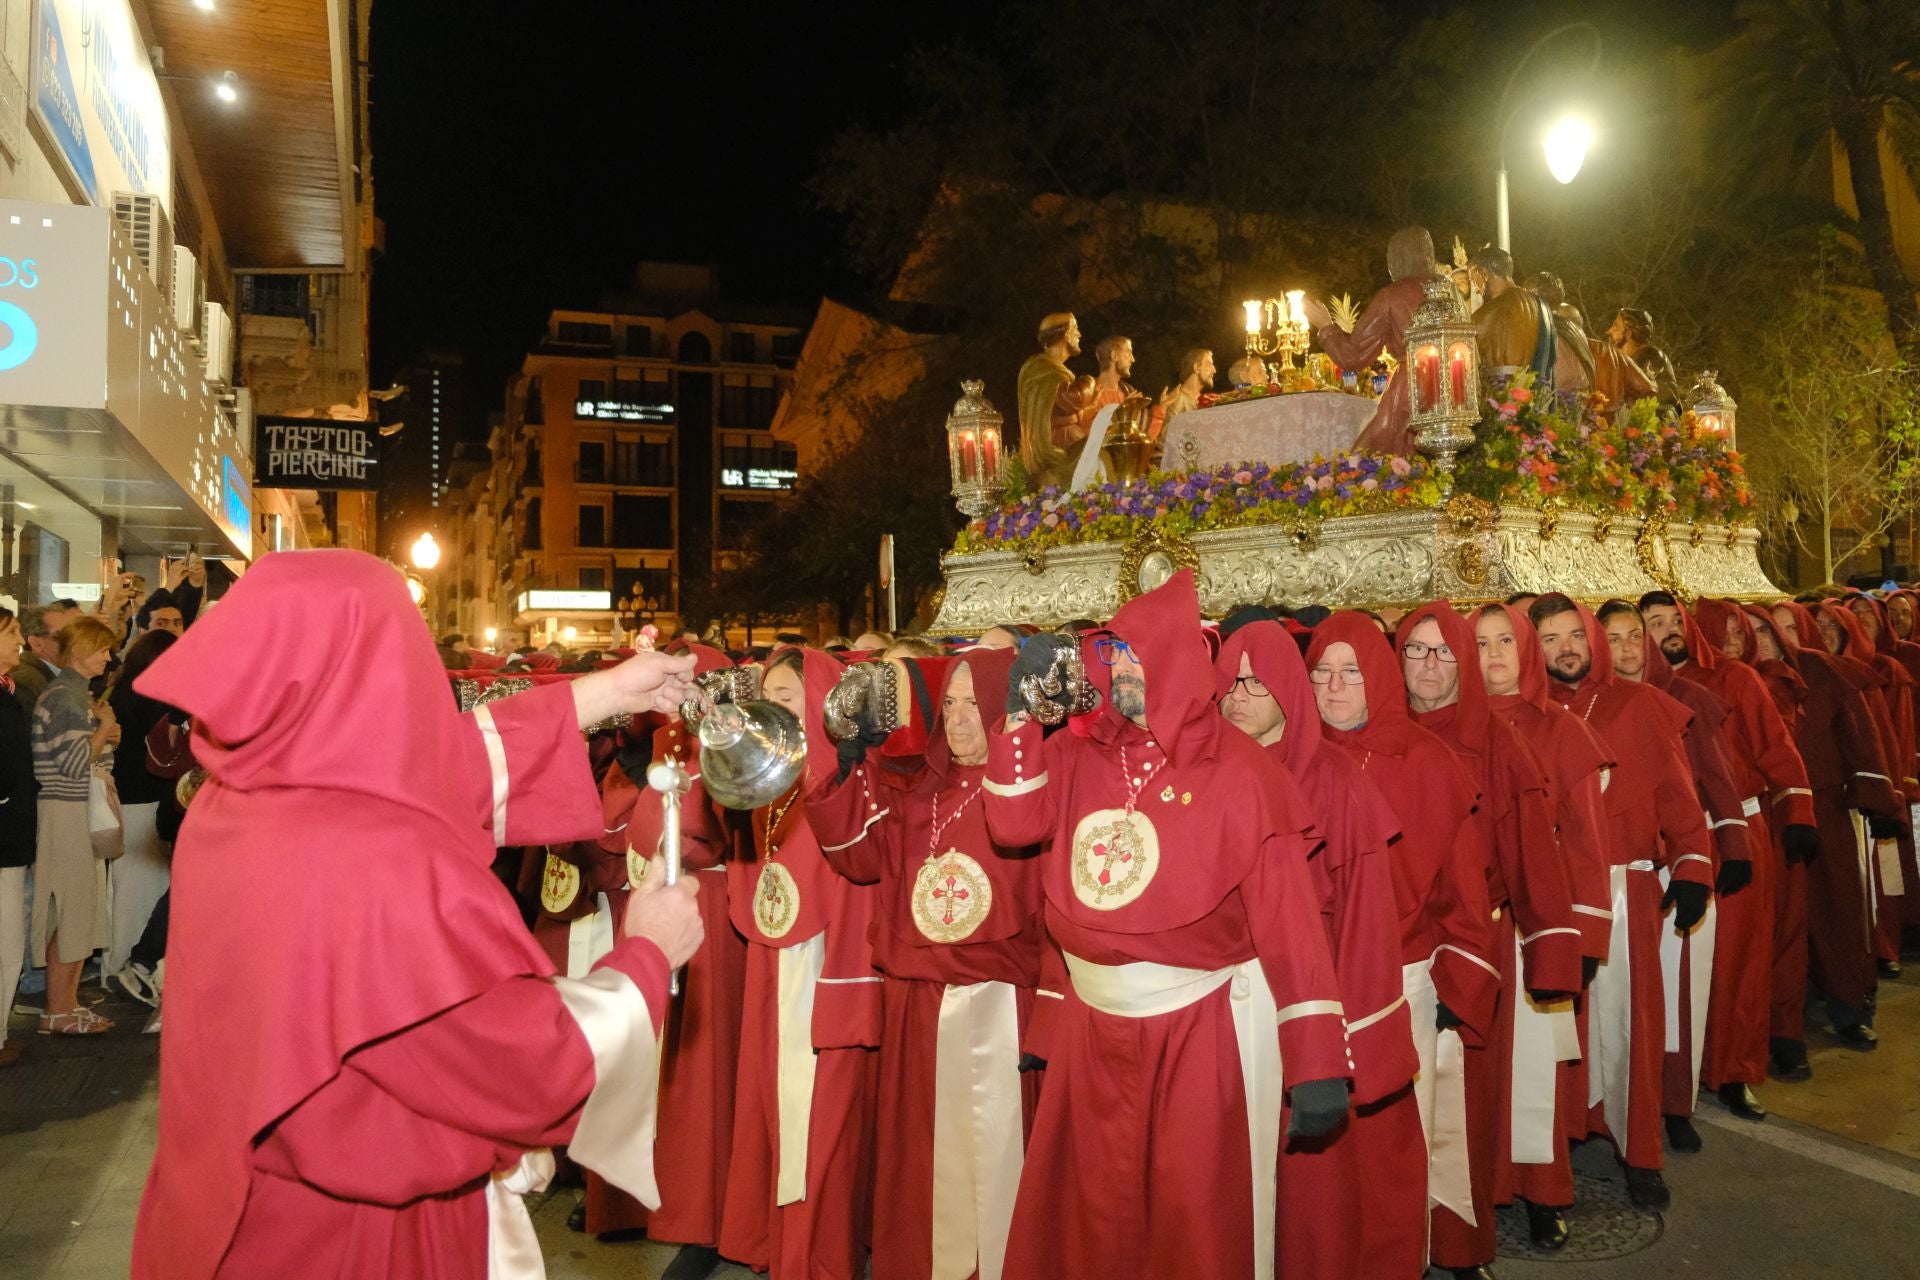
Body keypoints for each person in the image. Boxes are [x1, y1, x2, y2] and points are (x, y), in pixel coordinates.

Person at [129, 550, 706, 1280]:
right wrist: (646, 957)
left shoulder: (238, 797)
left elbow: (427, 769)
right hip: (363, 1242)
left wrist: (606, 691)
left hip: (245, 1219)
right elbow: (524, 1064)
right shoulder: (375, 866)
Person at [982, 571, 1350, 1280]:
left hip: (1201, 1027)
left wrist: (1316, 1063)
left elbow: (1290, 923)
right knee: (1092, 1216)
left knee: (1192, 1218)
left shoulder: (1242, 772)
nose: (1121, 671)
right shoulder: (1075, 754)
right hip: (1094, 1026)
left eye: (1137, 655)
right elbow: (1013, 823)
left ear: (1179, 661)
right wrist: (1021, 718)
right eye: (1112, 653)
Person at [810, 649, 1047, 1280]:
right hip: (918, 1008)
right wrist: (849, 769)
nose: (962, 719)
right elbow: (857, 860)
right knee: (921, 1164)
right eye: (950, 704)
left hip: (1002, 1005)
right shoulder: (920, 792)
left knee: (1002, 1163)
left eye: (976, 703)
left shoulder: (1031, 792)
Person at [1303, 613, 1499, 1280]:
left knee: (1390, 1153)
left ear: (1378, 676)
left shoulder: (1428, 763)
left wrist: (1456, 986)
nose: (1333, 686)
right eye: (1320, 672)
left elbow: (1464, 893)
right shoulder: (1285, 757)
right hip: (1303, 991)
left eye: (1351, 670)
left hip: (1397, 984)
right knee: (1313, 1161)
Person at [1217, 621, 1413, 1280]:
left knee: (1309, 1201)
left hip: (1309, 1011)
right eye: (1227, 683)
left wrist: (1349, 1043)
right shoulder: (1201, 772)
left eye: (1253, 682)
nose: (1236, 697)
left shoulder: (1336, 781)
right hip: (1221, 1017)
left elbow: (1365, 925)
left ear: (1286, 692)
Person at [1396, 602, 1580, 1277]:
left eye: (1441, 651)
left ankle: (1458, 1246)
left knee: (1463, 1108)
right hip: (1393, 953)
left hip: (1478, 945)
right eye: (1414, 652)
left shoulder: (1498, 740)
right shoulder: (1374, 733)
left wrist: (1553, 945)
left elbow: (1533, 844)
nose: (1428, 666)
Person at [1529, 595, 1710, 1212]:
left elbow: (1677, 793)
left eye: (1573, 634)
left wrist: (1692, 865)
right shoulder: (1525, 715)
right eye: (1549, 639)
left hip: (1626, 889)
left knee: (1631, 1028)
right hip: (1554, 893)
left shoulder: (1640, 705)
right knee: (1555, 1030)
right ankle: (1555, 1151)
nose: (1566, 648)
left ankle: (1640, 1152)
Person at [718, 645, 883, 1280]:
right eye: (767, 697)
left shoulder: (846, 782)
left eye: (787, 698)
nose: (772, 710)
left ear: (817, 703)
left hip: (823, 968)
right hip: (773, 962)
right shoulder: (765, 781)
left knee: (820, 1119)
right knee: (771, 1105)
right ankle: (776, 1243)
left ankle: (814, 1257)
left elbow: (857, 887)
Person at [584, 643, 747, 1280]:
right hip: (653, 901)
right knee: (646, 1063)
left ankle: (698, 1219)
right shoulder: (662, 741)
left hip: (699, 907)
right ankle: (634, 1199)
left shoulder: (721, 736)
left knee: (693, 1076)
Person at [1475, 603, 1613, 1250]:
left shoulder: (1559, 727)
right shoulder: (1451, 729)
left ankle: (1542, 1191)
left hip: (1541, 924)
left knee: (1537, 1069)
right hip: (1472, 926)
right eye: (1480, 642)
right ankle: (1477, 1191)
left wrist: (1582, 933)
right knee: (1476, 1070)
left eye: (1508, 640)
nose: (1495, 654)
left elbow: (1588, 840)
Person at [1657, 598, 1819, 1118]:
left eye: (1673, 622)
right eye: (1652, 624)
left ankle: (1734, 1070)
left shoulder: (1738, 680)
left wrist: (1798, 812)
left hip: (1739, 831)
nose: (1666, 632)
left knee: (1740, 962)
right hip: (1675, 839)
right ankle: (1678, 1071)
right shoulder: (1637, 688)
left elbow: (1776, 748)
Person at [1600, 601, 1751, 1156]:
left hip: (1680, 864)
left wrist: (1730, 845)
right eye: (1613, 638)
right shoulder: (1587, 704)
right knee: (1628, 1004)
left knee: (1679, 995)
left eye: (1635, 635)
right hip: (1629, 874)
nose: (1630, 647)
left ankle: (1674, 1103)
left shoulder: (1687, 699)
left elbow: (1716, 775)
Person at [28, 616, 121, 1035]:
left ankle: (65, 1003)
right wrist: (104, 729)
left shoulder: (71, 694)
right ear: (81, 649)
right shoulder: (66, 697)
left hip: (69, 808)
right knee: (72, 909)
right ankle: (59, 1009)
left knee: (75, 909)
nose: (108, 657)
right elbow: (74, 765)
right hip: (68, 810)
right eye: (102, 649)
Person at [1304, 225, 1440, 453]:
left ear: (1397, 260)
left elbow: (1353, 355)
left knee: (1368, 459)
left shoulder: (1391, 295)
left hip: (1412, 391)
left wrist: (1325, 326)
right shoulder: (1450, 289)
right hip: (1454, 389)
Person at [103, 630, 181, 983]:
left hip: (129, 798)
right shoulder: (154, 698)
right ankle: (128, 962)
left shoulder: (123, 692)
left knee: (128, 888)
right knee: (141, 888)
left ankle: (119, 959)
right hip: (145, 800)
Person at [0, 610, 34, 1067]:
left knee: (9, 939)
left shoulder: (7, 692)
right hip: (3, 837)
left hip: (12, 836)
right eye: (10, 633)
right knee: (6, 938)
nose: (20, 640)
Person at [1016, 312, 1097, 489]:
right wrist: (1089, 382)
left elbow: (1054, 415)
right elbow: (1072, 398)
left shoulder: (1053, 369)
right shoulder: (1042, 368)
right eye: (1075, 328)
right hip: (1056, 449)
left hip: (1065, 441)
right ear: (1066, 334)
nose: (1079, 334)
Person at [1468, 247, 1556, 385]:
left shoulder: (1487, 313)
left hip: (1498, 398)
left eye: (1472, 278)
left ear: (1483, 274)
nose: (1474, 288)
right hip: (1534, 396)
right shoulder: (1539, 304)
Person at [11, 600, 79, 716]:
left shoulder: (59, 675)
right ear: (37, 643)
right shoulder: (26, 683)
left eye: (74, 634)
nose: (74, 641)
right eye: (63, 636)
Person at [1606, 309, 1680, 404]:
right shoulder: (1624, 362)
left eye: (1615, 326)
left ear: (1628, 333)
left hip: (1657, 417)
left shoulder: (1651, 355)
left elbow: (1629, 390)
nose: (1609, 331)